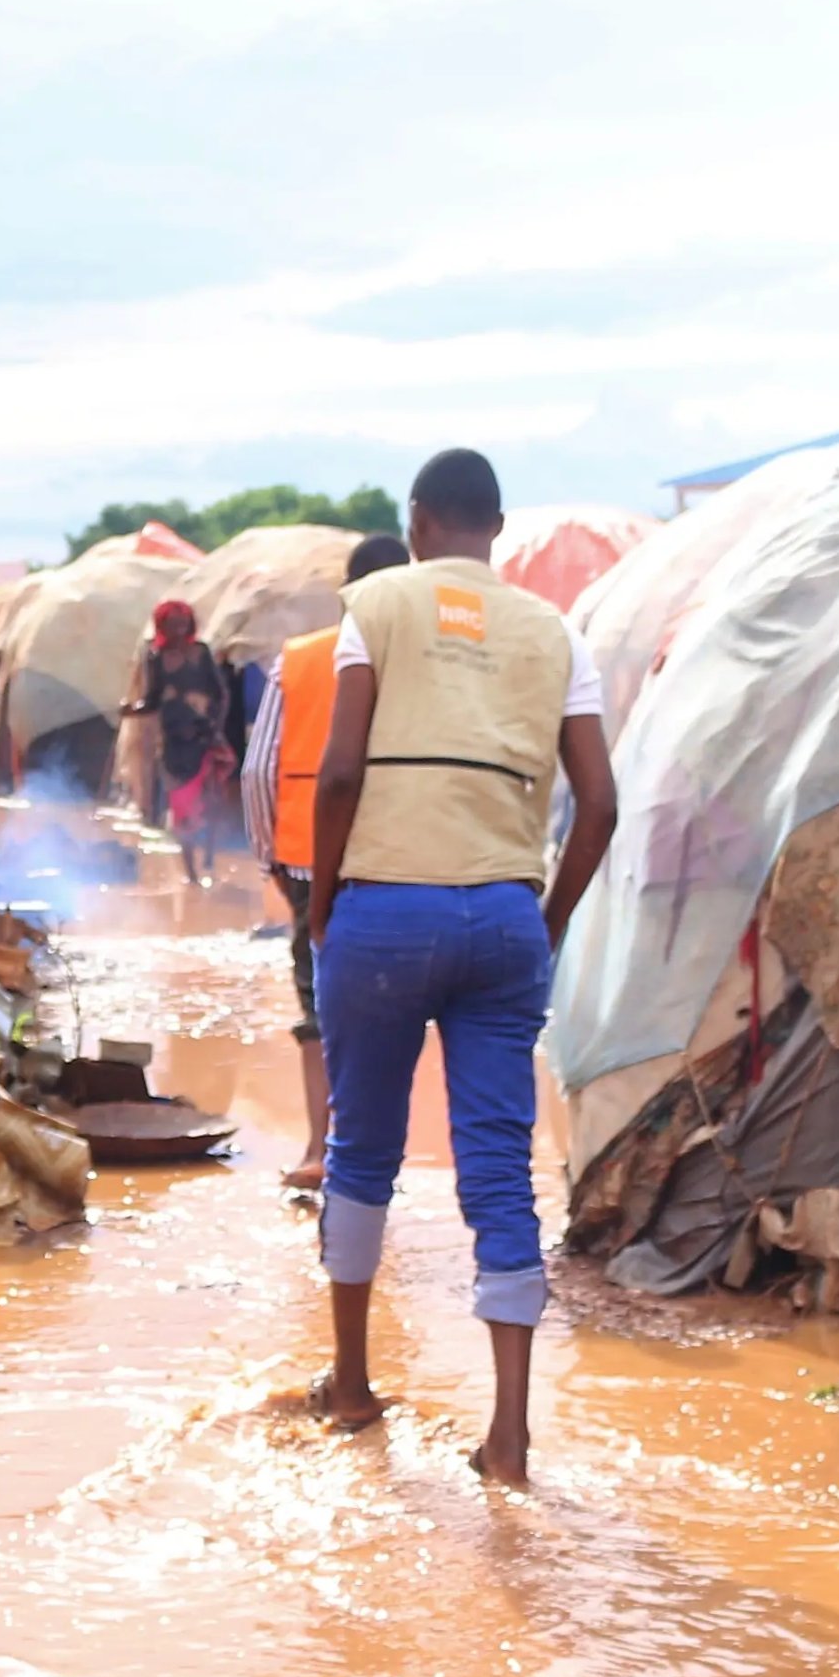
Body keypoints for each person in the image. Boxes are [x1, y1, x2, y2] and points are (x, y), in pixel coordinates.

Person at [302, 449, 619, 1488]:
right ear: (493, 528)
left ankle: (350, 1389)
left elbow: (341, 770)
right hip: (502, 918)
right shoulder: (554, 631)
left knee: (362, 1151)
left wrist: (320, 907)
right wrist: (549, 918)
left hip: (382, 915)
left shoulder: (376, 605)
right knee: (496, 1168)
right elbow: (598, 806)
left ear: (417, 520)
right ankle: (510, 1440)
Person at [242, 531, 413, 1189]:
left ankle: (321, 1148)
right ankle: (376, 1150)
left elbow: (260, 771)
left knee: (320, 1005)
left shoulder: (303, 659)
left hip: (308, 860)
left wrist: (271, 859)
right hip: (396, 860)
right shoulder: (424, 663)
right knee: (389, 1006)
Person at [118, 600, 242, 885]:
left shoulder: (201, 653)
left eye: (182, 623)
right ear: (162, 626)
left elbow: (221, 693)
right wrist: (131, 709)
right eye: (172, 624)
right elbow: (152, 700)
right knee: (182, 809)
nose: (178, 629)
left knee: (211, 803)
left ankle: (209, 856)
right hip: (175, 745)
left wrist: (214, 725)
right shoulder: (156, 657)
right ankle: (192, 874)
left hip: (205, 738)